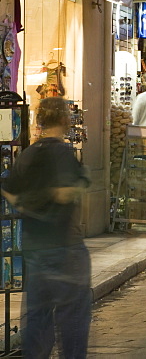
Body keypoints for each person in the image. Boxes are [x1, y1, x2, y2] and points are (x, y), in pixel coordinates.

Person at [2, 97, 91, 358]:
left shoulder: (27, 154)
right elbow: (64, 193)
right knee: (72, 319)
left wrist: (30, 203)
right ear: (65, 120)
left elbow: (11, 194)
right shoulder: (62, 153)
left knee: (38, 320)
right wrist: (81, 182)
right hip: (66, 247)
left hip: (35, 249)